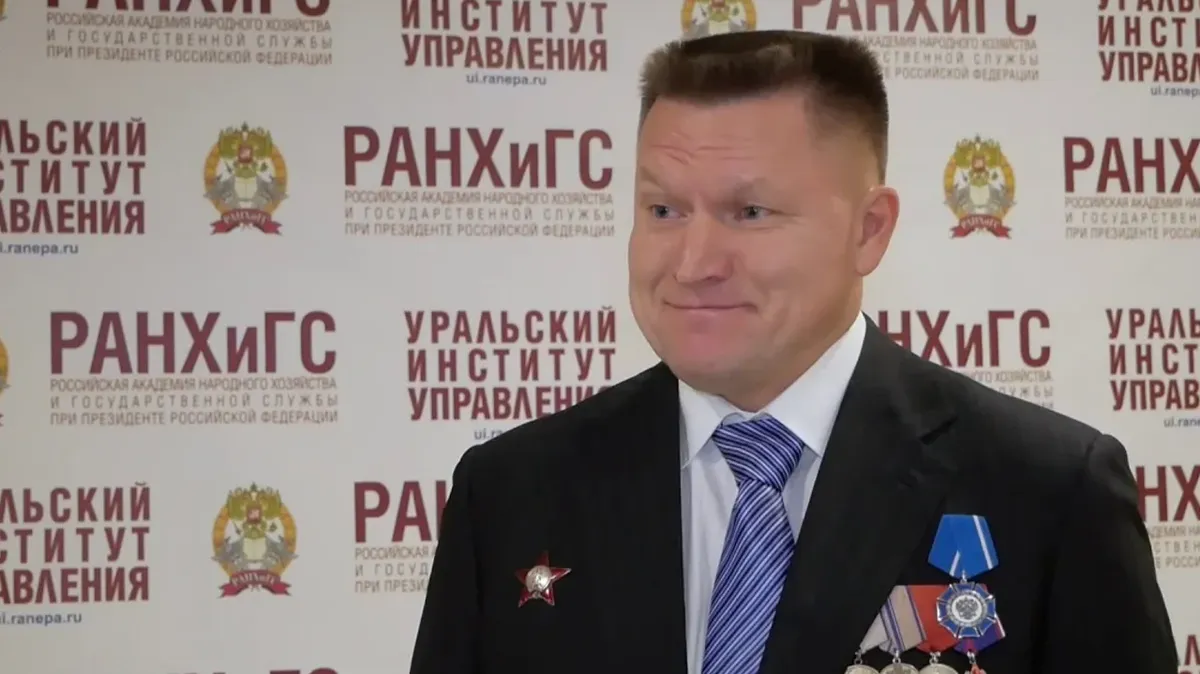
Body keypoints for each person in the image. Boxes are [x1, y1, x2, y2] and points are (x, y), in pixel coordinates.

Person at [409, 30, 1176, 674]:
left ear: (869, 230)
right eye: (664, 209)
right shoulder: (509, 494)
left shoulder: (1049, 493)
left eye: (749, 211)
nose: (693, 263)